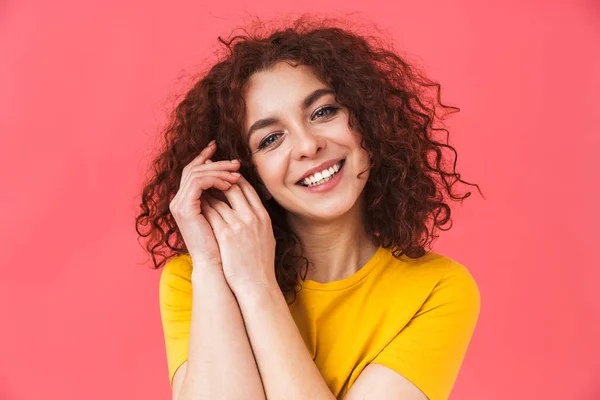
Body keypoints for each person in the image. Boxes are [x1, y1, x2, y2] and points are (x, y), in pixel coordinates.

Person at [136, 14, 484, 400]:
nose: (306, 145)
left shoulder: (437, 290)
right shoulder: (197, 277)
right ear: (250, 176)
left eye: (322, 112)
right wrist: (216, 270)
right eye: (270, 139)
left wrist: (256, 287)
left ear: (367, 122)